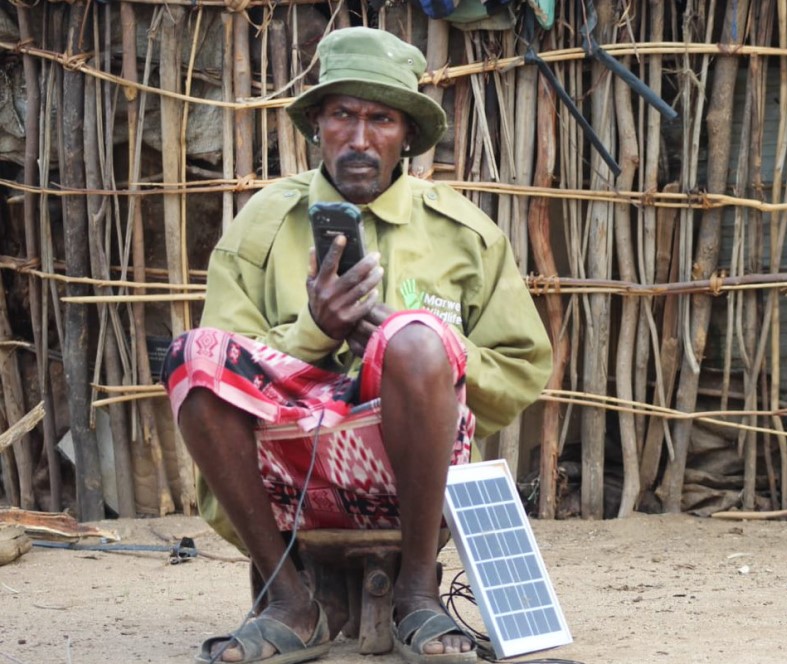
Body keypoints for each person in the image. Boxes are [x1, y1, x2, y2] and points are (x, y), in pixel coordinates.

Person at [161, 26, 552, 664]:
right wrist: (318, 332)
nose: (361, 139)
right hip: (287, 467)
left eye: (382, 118)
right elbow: (220, 364)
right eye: (343, 114)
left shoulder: (464, 233)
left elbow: (521, 365)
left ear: (409, 137)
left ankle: (417, 594)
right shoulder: (262, 224)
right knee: (192, 355)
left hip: (415, 476)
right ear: (317, 123)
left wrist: (416, 352)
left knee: (416, 341)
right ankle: (291, 601)